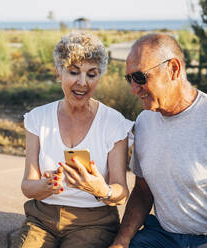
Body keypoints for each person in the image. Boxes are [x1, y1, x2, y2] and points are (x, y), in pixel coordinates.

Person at [110, 33, 207, 248]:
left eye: (140, 77)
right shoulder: (144, 121)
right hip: (162, 236)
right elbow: (142, 191)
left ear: (173, 69)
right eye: (129, 78)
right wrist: (121, 240)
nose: (133, 89)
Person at [18, 32, 133, 248]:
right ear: (58, 73)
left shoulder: (114, 122)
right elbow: (27, 186)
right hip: (41, 219)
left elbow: (121, 192)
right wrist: (45, 185)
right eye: (73, 72)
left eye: (92, 74)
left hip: (94, 222)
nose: (82, 83)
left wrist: (101, 190)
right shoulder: (38, 118)